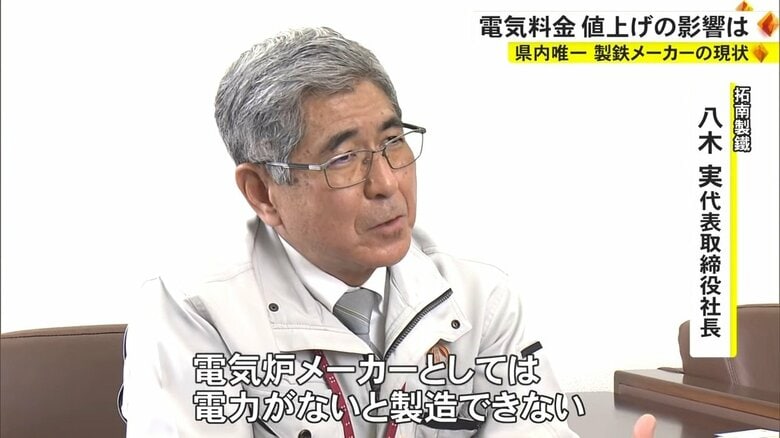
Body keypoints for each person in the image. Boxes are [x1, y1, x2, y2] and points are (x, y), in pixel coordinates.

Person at [121, 27, 656, 438]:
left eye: (393, 143)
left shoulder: (480, 298)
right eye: (344, 158)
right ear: (263, 192)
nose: (386, 183)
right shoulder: (195, 311)